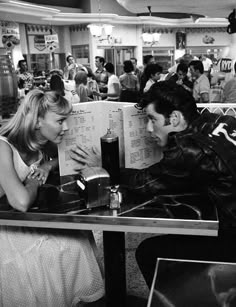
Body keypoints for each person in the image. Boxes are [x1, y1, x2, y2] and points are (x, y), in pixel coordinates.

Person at [69, 81, 236, 292]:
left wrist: (105, 166)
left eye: (152, 119)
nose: (148, 128)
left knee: (149, 252)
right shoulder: (220, 119)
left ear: (174, 118)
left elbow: (143, 183)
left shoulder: (188, 148)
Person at [0, 89, 104, 306]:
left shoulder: (43, 141)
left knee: (79, 235)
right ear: (37, 121)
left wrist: (48, 164)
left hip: (24, 220)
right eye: (60, 121)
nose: (66, 127)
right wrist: (33, 181)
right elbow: (20, 202)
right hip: (6, 228)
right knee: (64, 247)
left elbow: (59, 156)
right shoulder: (2, 146)